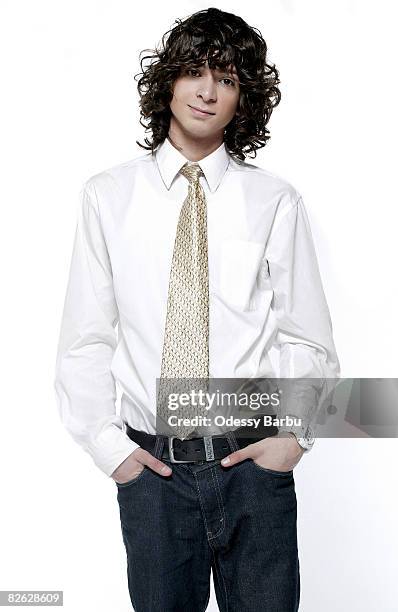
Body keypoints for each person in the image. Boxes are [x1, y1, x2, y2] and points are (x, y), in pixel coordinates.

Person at [54, 7, 340, 612]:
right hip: (153, 471)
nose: (208, 91)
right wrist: (111, 450)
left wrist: (291, 437)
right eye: (196, 71)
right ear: (170, 82)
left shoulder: (274, 200)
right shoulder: (108, 197)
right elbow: (86, 337)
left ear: (246, 99)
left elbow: (305, 336)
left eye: (229, 78)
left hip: (251, 467)